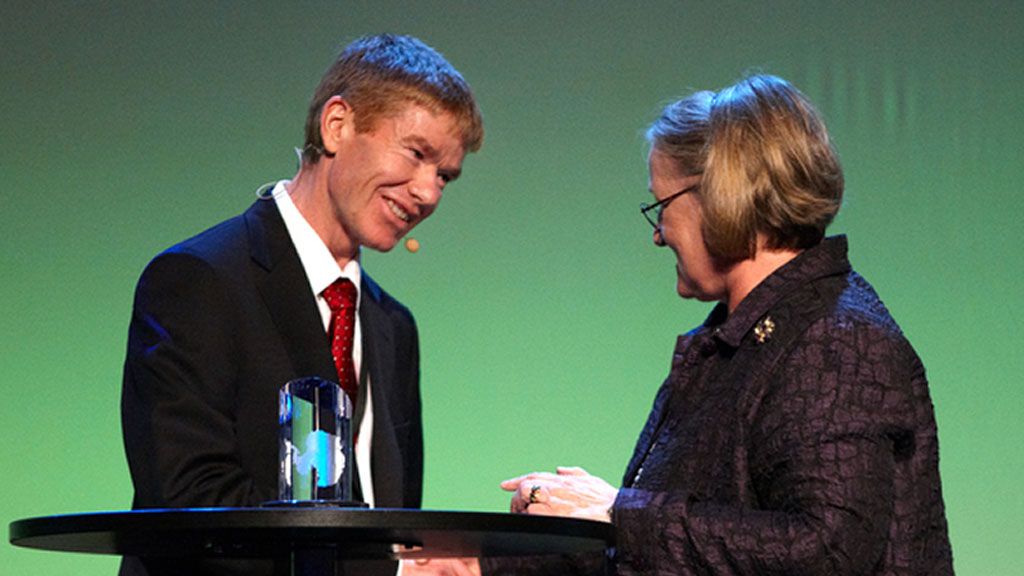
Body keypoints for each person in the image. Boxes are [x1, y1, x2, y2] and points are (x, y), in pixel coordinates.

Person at [415, 74, 954, 575]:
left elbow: (824, 549)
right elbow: (675, 554)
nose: (658, 234)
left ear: (720, 195)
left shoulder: (835, 341)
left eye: (663, 206)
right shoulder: (737, 340)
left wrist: (618, 512)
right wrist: (483, 564)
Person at [119, 34, 483, 576]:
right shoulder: (199, 281)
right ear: (336, 125)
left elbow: (394, 516)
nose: (429, 192)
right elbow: (188, 502)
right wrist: (387, 574)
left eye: (445, 176)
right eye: (416, 154)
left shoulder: (392, 326)